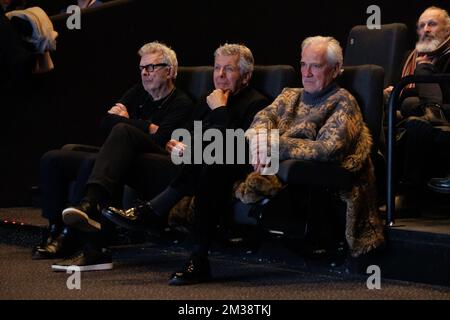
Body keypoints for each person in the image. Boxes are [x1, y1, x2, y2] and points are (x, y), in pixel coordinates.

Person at [102, 43, 269, 284]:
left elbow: (239, 147)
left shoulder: (257, 103)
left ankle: (161, 223)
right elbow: (185, 135)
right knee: (144, 159)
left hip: (231, 165)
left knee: (212, 163)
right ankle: (101, 236)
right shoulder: (206, 100)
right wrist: (176, 144)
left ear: (246, 75)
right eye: (217, 68)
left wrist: (220, 110)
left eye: (229, 70)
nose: (220, 76)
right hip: (195, 165)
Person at [33, 42, 193, 269]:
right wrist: (148, 126)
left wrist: (126, 122)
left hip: (155, 162)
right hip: (120, 153)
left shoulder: (182, 103)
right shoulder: (138, 91)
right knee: (54, 158)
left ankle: (81, 231)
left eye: (151, 67)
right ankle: (55, 230)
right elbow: (105, 122)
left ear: (169, 71)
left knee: (113, 140)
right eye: (141, 68)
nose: (144, 73)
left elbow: (162, 139)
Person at [242, 36, 384, 260]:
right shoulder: (290, 95)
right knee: (216, 159)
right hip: (274, 162)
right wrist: (260, 142)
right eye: (303, 64)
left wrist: (273, 146)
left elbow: (328, 149)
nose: (306, 73)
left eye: (315, 66)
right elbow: (263, 117)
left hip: (317, 173)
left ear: (336, 69)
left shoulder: (343, 102)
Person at [389, 7, 450, 209]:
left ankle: (409, 195)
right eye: (421, 25)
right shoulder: (410, 56)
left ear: (448, 29)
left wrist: (424, 70)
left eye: (432, 24)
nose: (425, 29)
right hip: (421, 115)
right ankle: (375, 185)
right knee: (403, 106)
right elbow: (402, 91)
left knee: (411, 109)